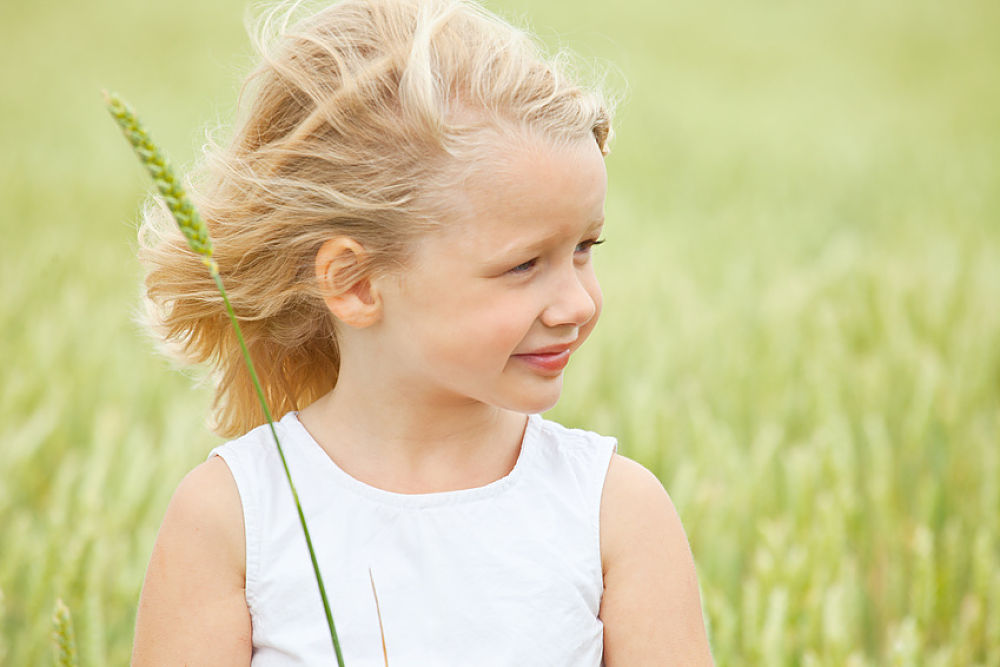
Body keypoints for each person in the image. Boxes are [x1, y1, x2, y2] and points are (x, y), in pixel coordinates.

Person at [130, 0, 713, 663]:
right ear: (355, 283)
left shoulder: (615, 511)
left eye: (585, 247)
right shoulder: (234, 515)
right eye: (524, 264)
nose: (577, 302)